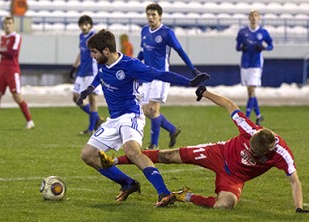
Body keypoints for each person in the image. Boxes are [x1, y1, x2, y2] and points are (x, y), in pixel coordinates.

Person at [99, 86, 309, 213]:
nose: (251, 153)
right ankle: (114, 160)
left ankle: (184, 196)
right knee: (169, 156)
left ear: (269, 150)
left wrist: (299, 208)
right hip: (218, 153)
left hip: (234, 177)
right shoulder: (249, 128)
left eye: (256, 154)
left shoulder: (282, 154)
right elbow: (229, 104)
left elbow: (295, 181)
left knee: (225, 205)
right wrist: (205, 92)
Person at [76, 29, 209, 207]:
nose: (92, 55)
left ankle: (164, 193)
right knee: (88, 155)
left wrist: (190, 82)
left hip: (131, 115)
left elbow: (160, 74)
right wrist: (89, 89)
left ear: (106, 51)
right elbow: (100, 76)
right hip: (113, 119)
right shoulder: (103, 62)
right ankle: (127, 183)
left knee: (132, 152)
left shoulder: (131, 65)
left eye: (94, 52)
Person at [137, 3, 202, 149]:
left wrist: (194, 70)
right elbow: (143, 52)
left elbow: (180, 51)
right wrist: (134, 65)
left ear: (160, 16)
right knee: (145, 110)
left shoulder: (167, 33)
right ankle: (172, 129)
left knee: (153, 110)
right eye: (148, 14)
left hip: (162, 75)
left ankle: (153, 145)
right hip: (146, 75)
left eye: (154, 15)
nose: (150, 17)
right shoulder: (144, 31)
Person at [0, 16, 34, 129]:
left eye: (9, 23)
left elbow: (12, 53)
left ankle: (30, 120)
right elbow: (4, 53)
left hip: (12, 70)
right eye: (5, 23)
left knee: (17, 97)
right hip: (1, 70)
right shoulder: (3, 37)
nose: (7, 25)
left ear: (13, 25)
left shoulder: (16, 37)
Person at [236, 10, 273, 126]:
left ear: (259, 18)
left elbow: (271, 45)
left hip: (256, 64)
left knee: (252, 89)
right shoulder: (242, 32)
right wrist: (243, 48)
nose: (254, 18)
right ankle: (258, 115)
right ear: (249, 18)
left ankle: (246, 119)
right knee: (250, 92)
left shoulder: (263, 32)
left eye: (256, 15)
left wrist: (263, 48)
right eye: (252, 15)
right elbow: (237, 47)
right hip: (245, 64)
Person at [69, 15, 104, 135]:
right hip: (82, 71)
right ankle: (97, 119)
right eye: (82, 25)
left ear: (90, 25)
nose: (84, 27)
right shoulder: (81, 36)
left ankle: (90, 129)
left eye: (86, 24)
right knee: (76, 97)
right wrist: (74, 66)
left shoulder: (94, 36)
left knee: (92, 99)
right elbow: (81, 52)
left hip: (92, 72)